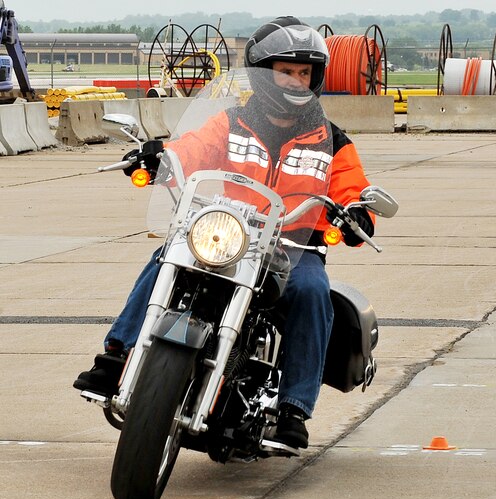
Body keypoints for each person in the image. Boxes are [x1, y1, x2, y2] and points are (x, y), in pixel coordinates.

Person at [73, 16, 375, 451]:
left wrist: (357, 213)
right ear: (262, 72)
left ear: (316, 78)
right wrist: (160, 156)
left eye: (303, 72)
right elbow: (189, 149)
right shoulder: (230, 123)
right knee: (166, 257)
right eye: (285, 71)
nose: (295, 81)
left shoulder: (333, 141)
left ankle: (293, 410)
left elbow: (353, 188)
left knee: (312, 291)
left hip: (293, 246)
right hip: (226, 230)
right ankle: (116, 357)